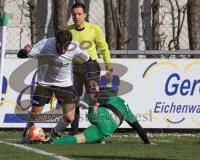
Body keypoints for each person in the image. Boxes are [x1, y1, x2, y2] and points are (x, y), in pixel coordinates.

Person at [18, 30, 95, 142]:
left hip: (65, 84)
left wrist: (91, 77)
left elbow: (89, 60)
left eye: (66, 47)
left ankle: (55, 132)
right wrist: (24, 51)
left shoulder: (75, 46)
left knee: (70, 117)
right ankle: (27, 130)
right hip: (44, 83)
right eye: (61, 46)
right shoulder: (44, 44)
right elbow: (20, 55)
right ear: (56, 42)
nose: (64, 50)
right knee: (35, 114)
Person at [67, 2, 113, 134]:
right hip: (74, 68)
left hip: (91, 67)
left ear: (85, 15)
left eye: (79, 14)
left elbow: (104, 48)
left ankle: (100, 131)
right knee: (74, 99)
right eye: (74, 14)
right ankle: (75, 132)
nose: (77, 17)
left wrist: (109, 67)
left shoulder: (94, 29)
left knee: (93, 99)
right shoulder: (68, 30)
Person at [52, 87, 150, 144]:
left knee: (95, 109)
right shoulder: (127, 110)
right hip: (108, 125)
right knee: (78, 139)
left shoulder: (111, 96)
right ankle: (52, 143)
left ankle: (92, 106)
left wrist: (96, 100)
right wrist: (148, 142)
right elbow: (138, 128)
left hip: (96, 115)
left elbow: (100, 95)